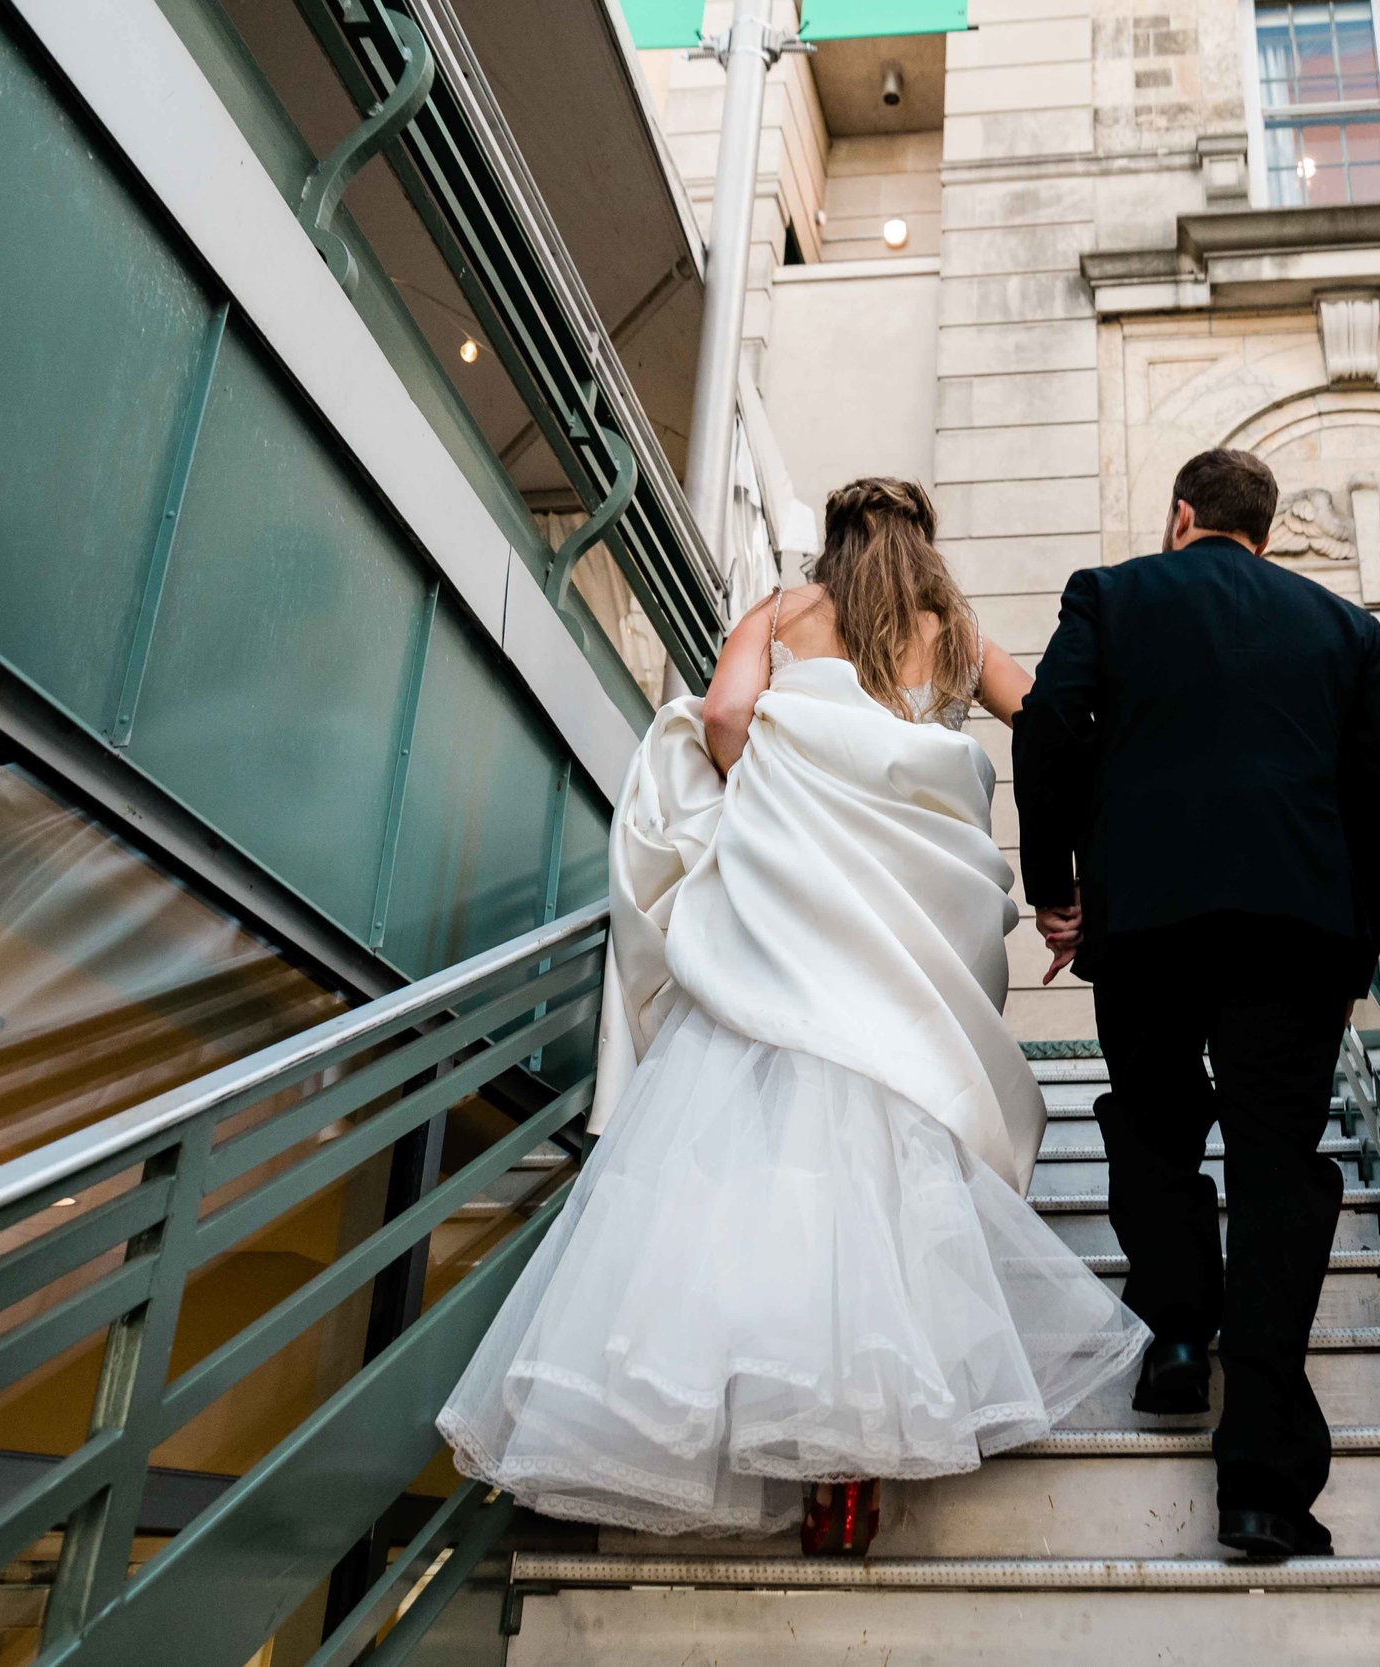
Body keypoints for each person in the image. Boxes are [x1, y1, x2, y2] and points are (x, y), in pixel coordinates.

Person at [439, 478, 1149, 1555]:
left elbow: (725, 714)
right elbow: (1046, 714)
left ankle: (729, 1435)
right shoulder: (950, 629)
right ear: (921, 543)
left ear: (834, 541)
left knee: (740, 1180)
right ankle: (849, 1484)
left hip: (788, 924)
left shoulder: (781, 610)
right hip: (905, 938)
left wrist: (769, 788)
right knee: (892, 1179)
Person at [1013, 447, 1380, 1558]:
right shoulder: (1345, 630)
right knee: (1277, 1164)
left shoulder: (1111, 592)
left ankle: (1177, 1332)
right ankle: (1262, 1483)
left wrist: (1059, 889)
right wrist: (1353, 961)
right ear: (1266, 534)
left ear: (1180, 516)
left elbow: (1047, 726)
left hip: (1144, 916)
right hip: (1294, 929)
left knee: (1149, 1117)